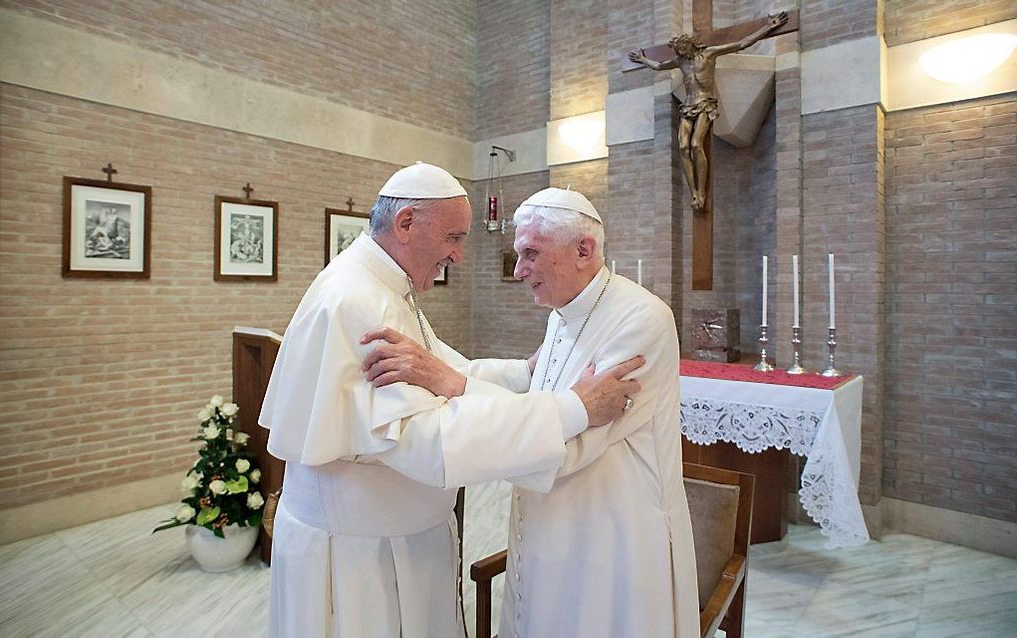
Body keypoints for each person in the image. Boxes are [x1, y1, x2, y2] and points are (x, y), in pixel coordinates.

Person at [258, 163, 643, 638]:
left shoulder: (379, 287)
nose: (459, 256)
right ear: (405, 225)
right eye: (453, 238)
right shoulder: (359, 302)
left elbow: (443, 372)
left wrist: (522, 375)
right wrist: (574, 409)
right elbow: (427, 442)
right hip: (362, 553)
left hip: (388, 536)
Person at [365, 187, 700, 637]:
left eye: (530, 254)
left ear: (584, 249)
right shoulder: (563, 311)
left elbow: (570, 444)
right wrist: (452, 374)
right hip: (551, 524)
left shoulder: (640, 319)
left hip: (611, 534)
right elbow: (542, 391)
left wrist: (453, 384)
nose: (519, 270)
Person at [628, 11, 788, 214]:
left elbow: (741, 44)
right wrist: (643, 59)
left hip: (705, 104)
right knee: (683, 147)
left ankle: (701, 193)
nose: (681, 54)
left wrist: (768, 27)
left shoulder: (709, 53)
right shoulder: (681, 61)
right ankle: (694, 191)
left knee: (696, 144)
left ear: (691, 45)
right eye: (678, 51)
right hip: (687, 107)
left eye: (683, 49)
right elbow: (660, 65)